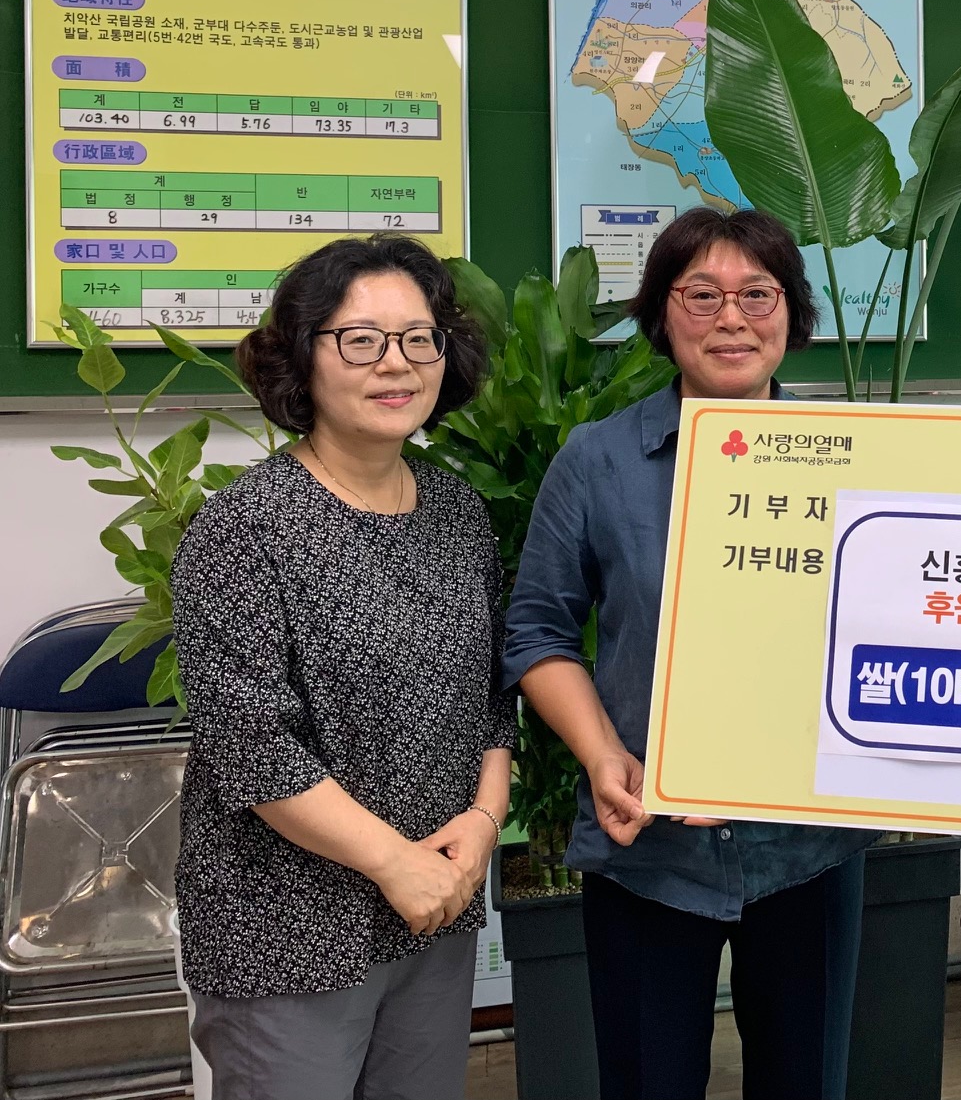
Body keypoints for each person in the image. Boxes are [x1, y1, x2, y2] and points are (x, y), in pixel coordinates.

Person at [504, 206, 875, 1100]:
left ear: (791, 311)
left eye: (758, 293)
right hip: (647, 845)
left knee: (804, 1083)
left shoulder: (862, 454)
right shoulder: (596, 460)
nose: (731, 318)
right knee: (646, 1080)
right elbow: (538, 628)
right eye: (701, 295)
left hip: (809, 844)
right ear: (661, 315)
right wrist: (602, 755)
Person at [170, 234, 516, 1100]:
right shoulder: (244, 528)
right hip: (287, 927)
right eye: (360, 340)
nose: (395, 363)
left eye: (419, 337)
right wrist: (394, 863)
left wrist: (483, 820)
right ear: (302, 356)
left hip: (434, 905)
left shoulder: (457, 512)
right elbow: (253, 746)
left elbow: (491, 696)